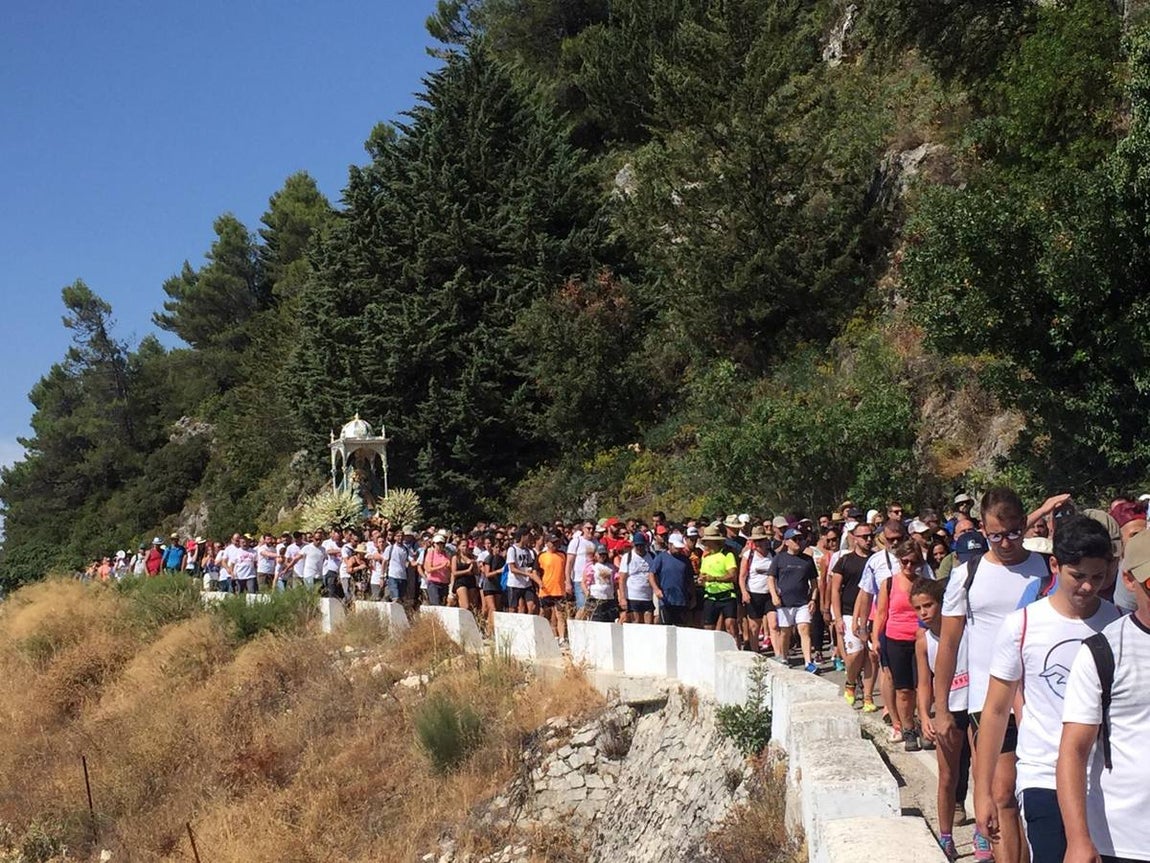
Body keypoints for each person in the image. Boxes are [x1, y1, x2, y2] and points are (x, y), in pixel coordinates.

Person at [973, 516, 1119, 863]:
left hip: (1106, 781)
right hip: (1042, 776)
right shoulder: (1022, 625)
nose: (1087, 587)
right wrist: (983, 792)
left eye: (1098, 577)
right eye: (1078, 576)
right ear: (1055, 565)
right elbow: (995, 711)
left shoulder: (1116, 624)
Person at [934, 487, 1051, 863]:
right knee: (1001, 792)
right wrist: (941, 708)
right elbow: (949, 645)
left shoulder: (1045, 567)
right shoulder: (967, 574)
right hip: (987, 700)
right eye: (995, 535)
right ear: (983, 529)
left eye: (1014, 532)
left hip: (1041, 698)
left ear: (1025, 525)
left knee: (1034, 793)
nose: (1005, 542)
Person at [1058, 526, 1150, 863]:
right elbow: (1073, 750)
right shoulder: (1102, 651)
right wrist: (1078, 839)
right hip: (1124, 840)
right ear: (1129, 580)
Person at [913, 577, 971, 862]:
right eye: (918, 608)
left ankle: (983, 834)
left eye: (928, 605)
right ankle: (946, 836)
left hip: (974, 705)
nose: (924, 612)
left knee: (984, 774)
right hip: (948, 710)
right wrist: (925, 714)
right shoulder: (923, 640)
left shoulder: (965, 628)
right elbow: (924, 682)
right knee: (948, 775)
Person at [875, 539, 926, 748]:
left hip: (920, 639)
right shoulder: (889, 583)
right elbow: (881, 613)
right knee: (903, 689)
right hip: (895, 639)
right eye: (904, 562)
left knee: (922, 687)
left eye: (913, 563)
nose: (908, 567)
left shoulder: (922, 583)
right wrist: (875, 638)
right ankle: (907, 728)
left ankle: (924, 723)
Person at [834, 520, 878, 711]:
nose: (868, 540)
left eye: (870, 536)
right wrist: (836, 617)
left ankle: (868, 697)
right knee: (856, 653)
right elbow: (835, 590)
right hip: (849, 612)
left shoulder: (877, 559)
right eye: (863, 536)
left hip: (873, 613)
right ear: (854, 538)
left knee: (871, 656)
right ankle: (850, 682)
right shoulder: (845, 561)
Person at [767, 528, 820, 672]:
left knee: (804, 629)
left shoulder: (807, 560)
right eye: (795, 539)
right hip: (784, 602)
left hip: (803, 602)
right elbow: (771, 578)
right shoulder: (779, 558)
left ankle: (808, 661)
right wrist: (773, 595)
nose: (798, 542)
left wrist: (813, 599)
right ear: (786, 542)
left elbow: (814, 582)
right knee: (785, 632)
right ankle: (783, 657)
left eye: (800, 539)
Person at [739, 526, 778, 654]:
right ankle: (756, 653)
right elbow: (742, 576)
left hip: (770, 593)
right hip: (754, 593)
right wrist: (744, 592)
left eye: (761, 540)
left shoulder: (772, 554)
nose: (758, 544)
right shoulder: (748, 555)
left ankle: (780, 655)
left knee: (774, 624)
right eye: (756, 541)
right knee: (754, 627)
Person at [699, 526, 739, 641]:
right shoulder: (705, 558)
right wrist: (702, 581)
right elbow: (703, 577)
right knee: (708, 628)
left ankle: (736, 651)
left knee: (731, 625)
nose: (705, 543)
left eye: (706, 541)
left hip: (727, 595)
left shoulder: (727, 555)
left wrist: (715, 578)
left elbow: (732, 575)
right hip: (710, 596)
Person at [650, 534, 694, 626]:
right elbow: (651, 574)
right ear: (669, 545)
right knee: (666, 627)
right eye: (676, 547)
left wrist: (693, 596)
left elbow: (690, 579)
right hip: (666, 600)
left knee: (681, 627)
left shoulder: (685, 560)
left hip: (682, 600)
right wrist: (656, 589)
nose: (678, 550)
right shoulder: (661, 557)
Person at [537, 535, 569, 642]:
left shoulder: (562, 555)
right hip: (546, 589)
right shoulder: (541, 556)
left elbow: (566, 570)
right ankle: (547, 634)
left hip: (559, 589)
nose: (555, 545)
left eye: (556, 542)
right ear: (547, 543)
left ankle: (561, 637)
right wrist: (539, 582)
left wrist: (567, 583)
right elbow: (535, 571)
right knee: (546, 613)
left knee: (560, 614)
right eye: (553, 542)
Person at [618, 533, 655, 624]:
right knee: (636, 622)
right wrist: (622, 598)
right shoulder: (627, 557)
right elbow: (622, 579)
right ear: (633, 545)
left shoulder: (652, 556)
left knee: (649, 623)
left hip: (647, 596)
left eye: (641, 545)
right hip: (633, 596)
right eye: (637, 545)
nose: (639, 547)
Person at [566, 521, 597, 615]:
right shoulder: (576, 541)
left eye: (593, 528)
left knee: (591, 609)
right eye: (588, 528)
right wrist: (568, 582)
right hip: (579, 580)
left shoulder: (596, 543)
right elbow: (569, 562)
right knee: (582, 608)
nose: (591, 530)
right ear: (583, 529)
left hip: (593, 581)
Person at [505, 529, 538, 614]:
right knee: (513, 608)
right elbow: (512, 569)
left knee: (532, 606)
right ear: (523, 537)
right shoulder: (512, 549)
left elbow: (529, 565)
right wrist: (526, 574)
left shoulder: (528, 551)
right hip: (515, 583)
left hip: (526, 584)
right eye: (528, 537)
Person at [583, 544, 618, 622]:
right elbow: (583, 582)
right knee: (596, 619)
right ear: (596, 555)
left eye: (604, 554)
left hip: (609, 598)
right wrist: (586, 592)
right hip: (595, 597)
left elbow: (615, 583)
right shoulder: (591, 566)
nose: (602, 556)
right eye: (600, 554)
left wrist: (616, 594)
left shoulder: (611, 567)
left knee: (609, 620)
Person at [422, 533, 452, 606]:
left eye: (441, 543)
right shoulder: (430, 553)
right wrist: (441, 566)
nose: (440, 545)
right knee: (436, 603)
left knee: (443, 604)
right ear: (434, 544)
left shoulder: (446, 554)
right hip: (433, 582)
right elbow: (428, 569)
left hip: (444, 583)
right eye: (438, 543)